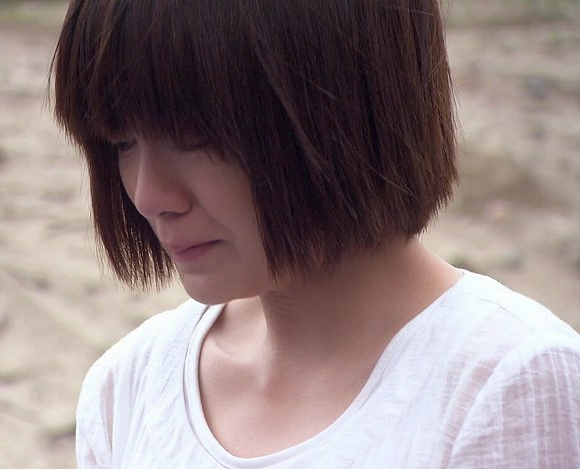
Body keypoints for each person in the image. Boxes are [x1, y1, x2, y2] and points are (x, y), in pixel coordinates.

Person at [51, 1, 580, 467]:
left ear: (339, 108)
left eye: (192, 136)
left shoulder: (509, 383)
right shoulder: (131, 386)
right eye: (122, 142)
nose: (148, 195)